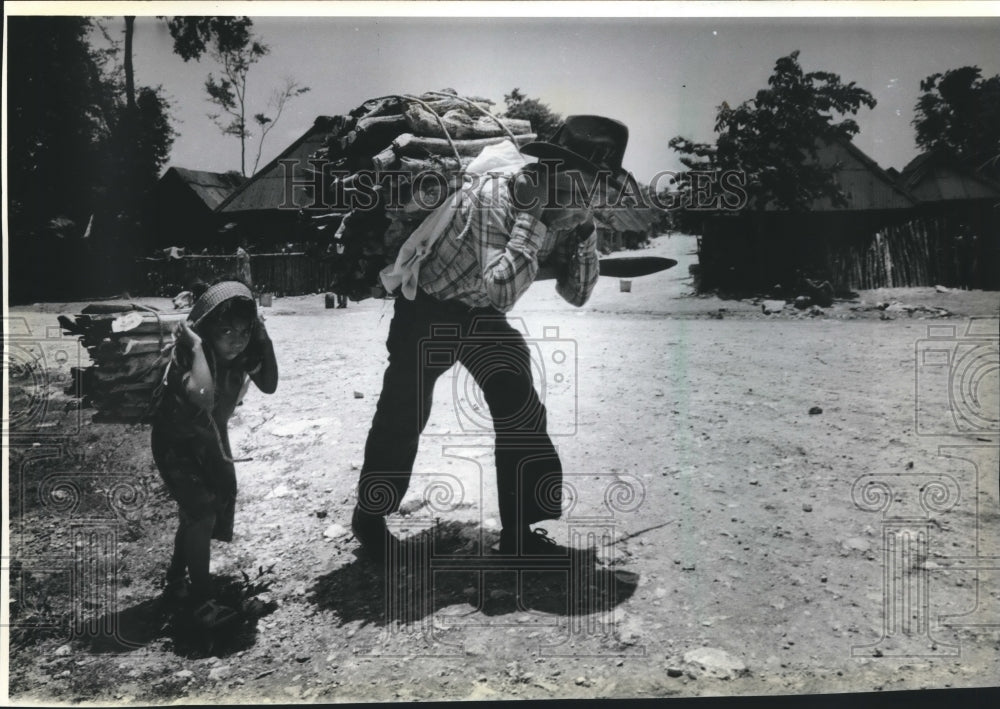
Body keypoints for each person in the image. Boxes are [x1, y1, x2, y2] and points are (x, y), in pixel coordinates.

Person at [352, 115, 637, 561]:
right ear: (551, 169)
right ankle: (369, 521)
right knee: (404, 412)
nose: (586, 199)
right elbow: (501, 289)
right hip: (428, 309)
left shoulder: (572, 213)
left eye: (595, 191)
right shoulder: (496, 197)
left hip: (480, 315)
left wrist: (582, 232)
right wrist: (533, 222)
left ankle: (519, 535)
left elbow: (576, 293)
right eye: (579, 186)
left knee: (519, 404)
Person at [151, 279, 278, 627]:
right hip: (177, 447)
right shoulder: (186, 357)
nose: (236, 339)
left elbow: (269, 383)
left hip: (210, 444)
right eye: (226, 330)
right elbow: (204, 396)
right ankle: (202, 603)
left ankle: (177, 583)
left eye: (243, 330)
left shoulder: (241, 355)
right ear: (206, 329)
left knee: (196, 516)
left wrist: (262, 334)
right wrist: (194, 346)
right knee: (201, 514)